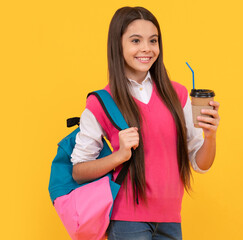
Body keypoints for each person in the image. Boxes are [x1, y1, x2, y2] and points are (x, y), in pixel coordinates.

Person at [69, 6, 220, 240]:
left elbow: (201, 164)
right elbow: (78, 171)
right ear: (117, 45)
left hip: (171, 219)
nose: (147, 49)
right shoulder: (102, 102)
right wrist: (118, 156)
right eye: (136, 40)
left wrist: (210, 136)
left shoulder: (177, 95)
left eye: (153, 40)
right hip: (127, 221)